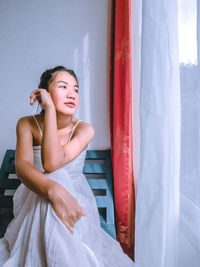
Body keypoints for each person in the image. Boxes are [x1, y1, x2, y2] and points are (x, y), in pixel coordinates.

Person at [0, 66, 134, 266]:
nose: (72, 94)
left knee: (59, 175)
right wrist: (54, 191)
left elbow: (52, 163)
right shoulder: (26, 124)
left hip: (74, 201)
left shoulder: (84, 129)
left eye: (76, 89)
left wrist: (50, 110)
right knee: (57, 179)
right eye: (63, 87)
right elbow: (24, 168)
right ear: (44, 94)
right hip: (34, 198)